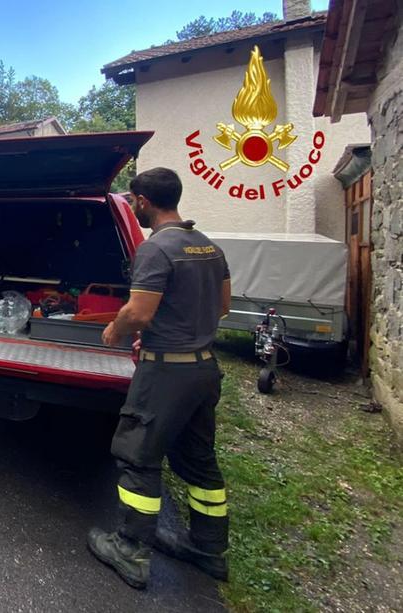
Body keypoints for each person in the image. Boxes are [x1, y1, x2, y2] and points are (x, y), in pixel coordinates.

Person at [87, 167, 232, 590]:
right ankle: (208, 549)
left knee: (138, 455)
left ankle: (130, 550)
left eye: (133, 201)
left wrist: (116, 331)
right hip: (204, 368)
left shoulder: (156, 250)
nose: (132, 208)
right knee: (200, 460)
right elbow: (222, 306)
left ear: (143, 201)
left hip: (167, 371)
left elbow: (139, 312)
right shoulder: (208, 246)